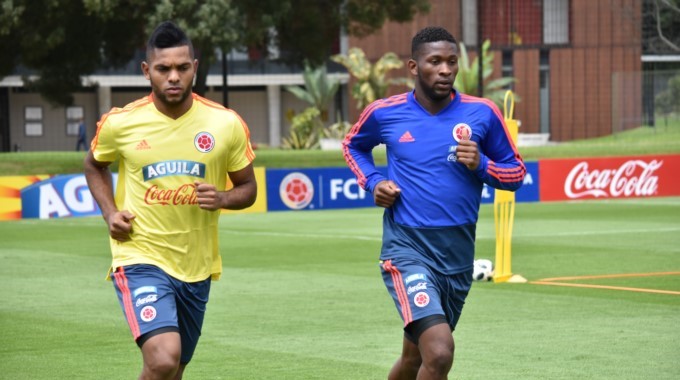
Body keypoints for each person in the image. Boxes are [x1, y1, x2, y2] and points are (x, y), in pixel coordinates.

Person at [343, 26, 525, 379]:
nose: (445, 69)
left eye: (452, 62)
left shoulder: (483, 114)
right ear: (414, 67)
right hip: (407, 247)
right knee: (439, 353)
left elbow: (515, 173)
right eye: (435, 61)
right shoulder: (385, 113)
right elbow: (353, 144)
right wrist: (374, 181)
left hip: (457, 256)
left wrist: (482, 164)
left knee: (415, 360)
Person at [84, 21, 257, 380]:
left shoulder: (225, 124)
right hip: (140, 256)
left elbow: (248, 188)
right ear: (147, 71)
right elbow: (94, 165)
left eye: (181, 67)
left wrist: (224, 196)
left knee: (173, 369)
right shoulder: (121, 123)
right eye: (164, 69)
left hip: (197, 267)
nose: (173, 76)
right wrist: (110, 213)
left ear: (195, 67)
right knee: (163, 359)